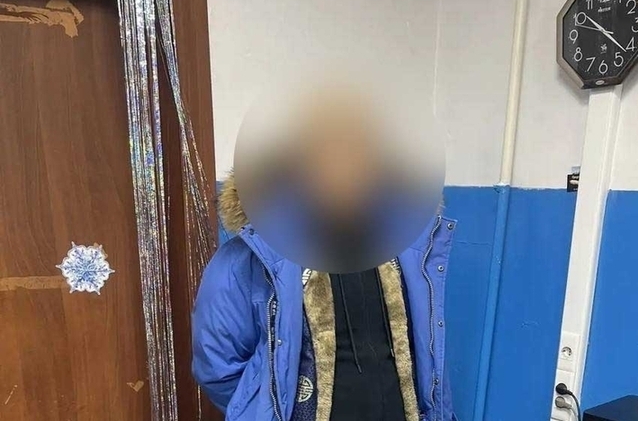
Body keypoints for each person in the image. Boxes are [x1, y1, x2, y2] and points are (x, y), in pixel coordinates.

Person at [191, 90, 458, 421]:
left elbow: (428, 357)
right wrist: (265, 408)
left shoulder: (408, 245)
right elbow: (218, 369)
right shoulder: (248, 258)